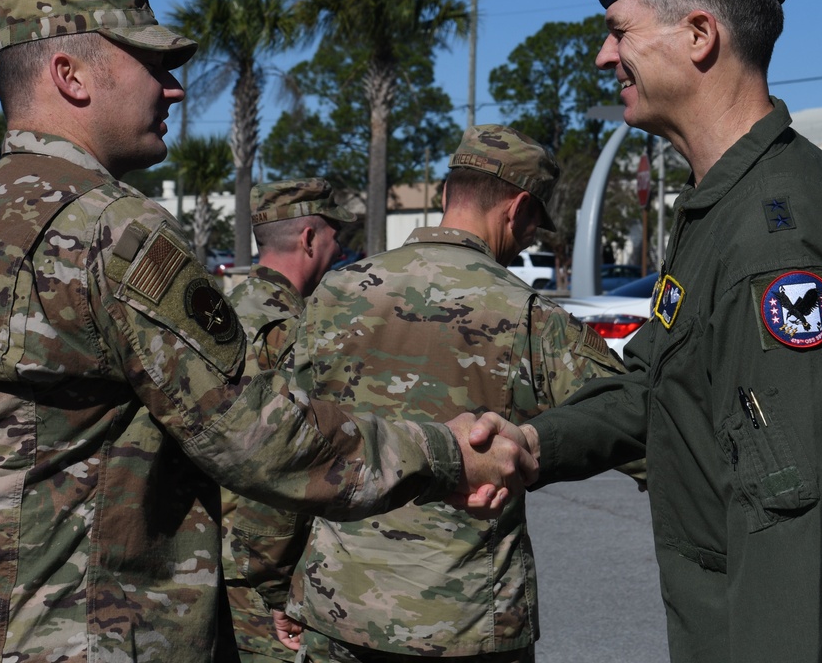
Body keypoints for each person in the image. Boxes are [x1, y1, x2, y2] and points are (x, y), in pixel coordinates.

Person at [0, 0, 533, 663]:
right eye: (152, 63)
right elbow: (260, 436)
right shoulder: (110, 227)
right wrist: (447, 453)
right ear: (70, 75)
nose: (173, 87)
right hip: (77, 635)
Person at [468, 0, 822, 662]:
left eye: (619, 29)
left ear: (700, 35)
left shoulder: (774, 238)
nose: (604, 55)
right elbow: (652, 386)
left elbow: (798, 527)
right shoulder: (727, 203)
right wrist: (533, 440)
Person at [234, 125, 627, 663]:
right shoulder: (532, 318)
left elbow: (285, 443)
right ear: (517, 211)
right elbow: (625, 415)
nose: (532, 238)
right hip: (468, 625)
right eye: (535, 223)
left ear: (445, 196)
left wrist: (275, 579)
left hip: (340, 607)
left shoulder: (334, 295)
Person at [223, 178, 355, 663]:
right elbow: (286, 457)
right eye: (335, 237)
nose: (339, 249)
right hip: (265, 564)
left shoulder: (222, 311)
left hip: (217, 556)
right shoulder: (296, 328)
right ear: (309, 239)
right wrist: (280, 588)